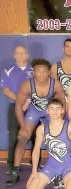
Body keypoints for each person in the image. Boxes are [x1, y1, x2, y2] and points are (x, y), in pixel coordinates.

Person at [6, 58, 65, 186]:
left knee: (58, 138)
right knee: (23, 137)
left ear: (49, 72)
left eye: (44, 71)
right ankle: (15, 171)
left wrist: (60, 124)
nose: (42, 74)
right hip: (34, 111)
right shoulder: (27, 84)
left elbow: (62, 105)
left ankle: (58, 170)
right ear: (34, 72)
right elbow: (18, 106)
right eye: (38, 71)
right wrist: (23, 126)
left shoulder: (55, 84)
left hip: (50, 111)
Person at [24, 98, 71, 189]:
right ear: (47, 110)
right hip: (50, 167)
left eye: (57, 108)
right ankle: (55, 178)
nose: (54, 111)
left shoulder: (70, 127)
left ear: (62, 110)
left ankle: (63, 179)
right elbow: (36, 150)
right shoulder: (42, 129)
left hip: (67, 167)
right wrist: (34, 171)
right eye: (51, 108)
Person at [0, 46, 33, 175]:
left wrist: (28, 101)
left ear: (27, 55)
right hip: (15, 106)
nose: (20, 55)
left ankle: (35, 163)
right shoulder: (8, 70)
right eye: (18, 53)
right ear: (14, 55)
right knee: (13, 136)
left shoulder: (34, 70)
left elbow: (38, 89)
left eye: (23, 53)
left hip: (32, 107)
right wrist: (21, 101)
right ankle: (11, 165)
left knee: (35, 135)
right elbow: (6, 90)